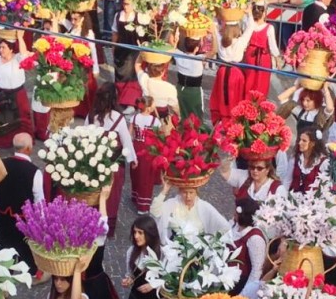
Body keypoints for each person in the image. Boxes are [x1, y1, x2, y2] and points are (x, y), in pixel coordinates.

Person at [0, 132, 47, 284]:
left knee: (4, 241)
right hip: (24, 216)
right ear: (29, 149)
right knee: (26, 244)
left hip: (3, 212)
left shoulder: (1, 164)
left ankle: (4, 274)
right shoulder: (34, 171)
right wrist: (41, 219)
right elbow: (39, 198)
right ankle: (31, 272)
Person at [85, 82, 138, 237]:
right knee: (112, 197)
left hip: (94, 164)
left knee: (94, 193)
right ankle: (107, 227)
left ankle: (92, 222)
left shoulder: (90, 115)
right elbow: (127, 141)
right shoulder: (118, 118)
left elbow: (85, 139)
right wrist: (133, 159)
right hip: (114, 166)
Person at [0, 32, 33, 149]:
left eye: (3, 47)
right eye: (0, 47)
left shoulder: (17, 58)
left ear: (11, 49)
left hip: (17, 95)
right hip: (1, 94)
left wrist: (19, 36)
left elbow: (24, 53)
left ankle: (21, 144)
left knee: (18, 121)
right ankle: (1, 143)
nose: (1, 49)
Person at [150, 178, 230, 242]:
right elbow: (155, 211)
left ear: (196, 192)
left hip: (198, 251)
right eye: (185, 192)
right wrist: (164, 191)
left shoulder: (204, 206)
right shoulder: (173, 203)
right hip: (175, 249)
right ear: (180, 192)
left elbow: (225, 226)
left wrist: (211, 242)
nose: (188, 196)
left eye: (191, 193)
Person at [209, 16, 254, 125]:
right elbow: (251, 27)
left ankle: (221, 118)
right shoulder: (240, 41)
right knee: (235, 97)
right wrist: (248, 14)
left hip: (222, 71)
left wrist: (217, 15)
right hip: (236, 73)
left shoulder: (220, 39)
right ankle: (233, 120)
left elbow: (214, 26)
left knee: (221, 96)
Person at [171, 28, 216, 121]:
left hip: (180, 90)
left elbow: (171, 43)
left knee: (182, 117)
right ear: (197, 48)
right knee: (196, 118)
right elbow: (214, 50)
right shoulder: (200, 58)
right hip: (194, 92)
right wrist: (214, 34)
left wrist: (174, 30)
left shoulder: (178, 55)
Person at [129, 96, 161, 215]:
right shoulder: (155, 121)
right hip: (149, 150)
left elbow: (129, 134)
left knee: (136, 174)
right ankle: (143, 205)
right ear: (148, 108)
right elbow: (158, 138)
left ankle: (135, 196)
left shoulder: (134, 117)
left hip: (136, 147)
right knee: (146, 177)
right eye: (153, 105)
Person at [243, 2, 281, 99]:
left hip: (250, 54)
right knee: (262, 81)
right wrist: (277, 60)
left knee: (249, 78)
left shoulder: (249, 25)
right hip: (263, 57)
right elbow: (273, 46)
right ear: (264, 13)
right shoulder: (269, 28)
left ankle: (247, 100)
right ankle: (259, 103)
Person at [230, 198, 267, 298]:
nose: (233, 213)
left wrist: (244, 294)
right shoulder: (233, 225)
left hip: (241, 284)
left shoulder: (255, 238)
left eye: (236, 212)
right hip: (227, 279)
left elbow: (257, 269)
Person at [111, 0, 144, 108]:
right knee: (119, 74)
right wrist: (113, 47)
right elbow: (115, 33)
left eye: (128, 4)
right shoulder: (117, 16)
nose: (125, 7)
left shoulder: (138, 16)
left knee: (130, 75)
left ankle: (130, 101)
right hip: (120, 50)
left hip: (133, 51)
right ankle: (120, 99)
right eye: (124, 4)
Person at [277, 128, 328, 193]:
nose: (300, 143)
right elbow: (287, 180)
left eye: (304, 141)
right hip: (292, 197)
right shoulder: (295, 158)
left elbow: (325, 186)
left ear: (312, 144)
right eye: (300, 140)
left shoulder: (322, 162)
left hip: (311, 200)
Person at [69, 11, 99, 119]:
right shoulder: (72, 29)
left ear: (82, 18)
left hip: (84, 64)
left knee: (86, 87)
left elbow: (93, 50)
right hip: (74, 63)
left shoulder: (88, 32)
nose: (73, 22)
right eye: (71, 19)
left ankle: (87, 111)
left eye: (75, 19)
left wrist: (96, 69)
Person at [220, 156, 286, 203]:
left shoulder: (278, 189)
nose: (255, 171)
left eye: (259, 168)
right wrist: (227, 161)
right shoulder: (244, 176)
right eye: (252, 167)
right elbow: (225, 173)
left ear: (267, 170)